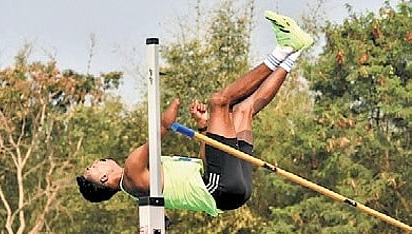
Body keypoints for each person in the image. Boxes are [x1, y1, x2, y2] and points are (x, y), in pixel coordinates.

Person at [77, 10, 314, 216]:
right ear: (104, 179)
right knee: (219, 101)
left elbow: (205, 165)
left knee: (243, 111)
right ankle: (284, 48)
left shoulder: (141, 184)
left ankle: (294, 52)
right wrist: (165, 124)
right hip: (219, 189)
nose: (95, 163)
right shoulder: (132, 173)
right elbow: (155, 139)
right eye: (92, 169)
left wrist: (203, 128)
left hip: (229, 190)